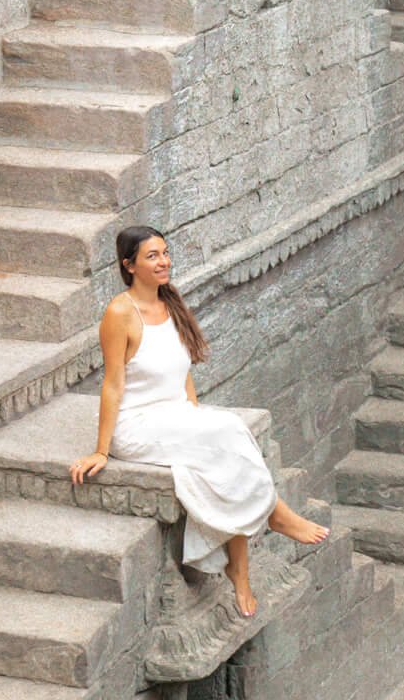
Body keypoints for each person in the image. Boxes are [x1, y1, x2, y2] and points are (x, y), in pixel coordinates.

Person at [70, 226, 329, 618]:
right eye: (153, 256)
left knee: (226, 445)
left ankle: (240, 570)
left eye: (165, 253)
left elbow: (183, 371)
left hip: (175, 416)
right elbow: (112, 384)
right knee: (226, 435)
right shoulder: (119, 313)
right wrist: (101, 450)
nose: (164, 261)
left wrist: (194, 415)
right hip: (137, 426)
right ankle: (274, 516)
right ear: (129, 265)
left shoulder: (170, 304)